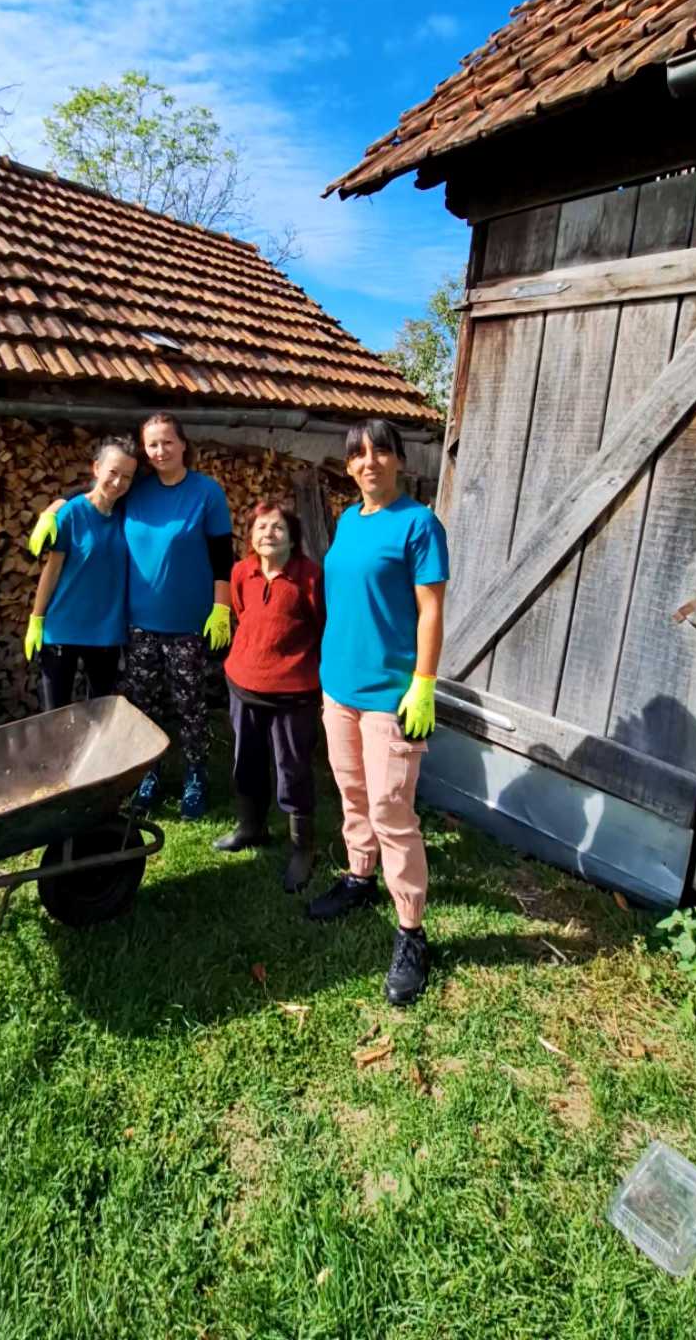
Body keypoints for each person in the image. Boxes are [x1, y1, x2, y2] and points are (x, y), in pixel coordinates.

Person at [307, 418, 449, 1008]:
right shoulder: (346, 519)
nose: (370, 462)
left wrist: (423, 683)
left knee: (393, 808)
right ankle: (360, 877)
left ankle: (412, 932)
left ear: (399, 460)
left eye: (381, 452)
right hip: (338, 687)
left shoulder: (419, 523)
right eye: (359, 455)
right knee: (352, 792)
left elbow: (430, 610)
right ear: (348, 468)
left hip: (390, 693)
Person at [29, 412, 234, 820]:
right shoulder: (138, 489)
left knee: (190, 704)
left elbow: (222, 554)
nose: (160, 451)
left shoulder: (206, 492)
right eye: (152, 445)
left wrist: (222, 606)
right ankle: (150, 774)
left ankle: (195, 774)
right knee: (143, 704)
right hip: (138, 624)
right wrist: (50, 511)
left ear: (183, 445)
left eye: (167, 442)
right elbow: (90, 492)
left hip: (188, 623)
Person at [214, 500, 323, 893]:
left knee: (292, 769)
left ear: (293, 537)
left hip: (293, 693)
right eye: (261, 527)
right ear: (251, 536)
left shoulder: (310, 578)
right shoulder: (242, 572)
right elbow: (243, 612)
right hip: (243, 684)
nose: (268, 534)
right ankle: (251, 827)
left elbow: (322, 626)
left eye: (277, 527)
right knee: (247, 760)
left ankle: (302, 848)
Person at [24, 434, 139, 710]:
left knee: (99, 716)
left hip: (106, 633)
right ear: (96, 468)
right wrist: (36, 619)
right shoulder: (71, 514)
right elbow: (51, 571)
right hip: (62, 628)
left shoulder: (129, 514)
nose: (118, 482)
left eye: (126, 477)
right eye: (112, 472)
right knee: (56, 715)